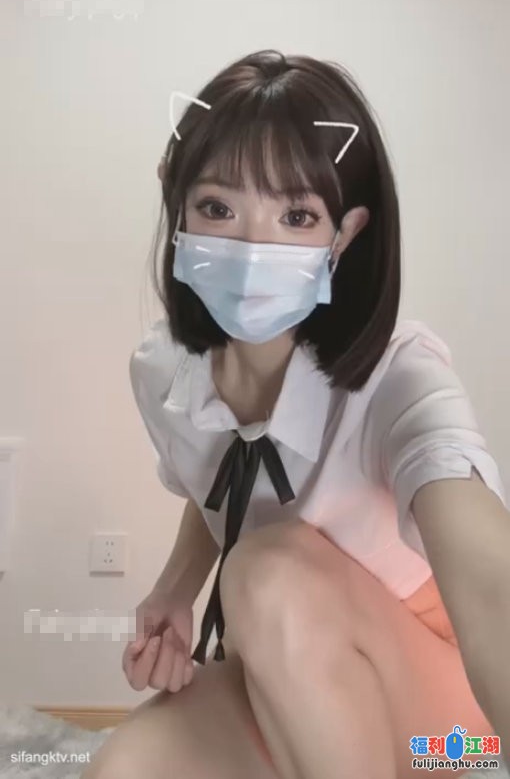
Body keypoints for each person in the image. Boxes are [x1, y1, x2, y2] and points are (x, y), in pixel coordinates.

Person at [82, 50, 508, 779]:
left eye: (297, 216)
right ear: (176, 203)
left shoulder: (399, 378)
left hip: (451, 738)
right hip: (290, 680)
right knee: (125, 769)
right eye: (218, 208)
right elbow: (219, 481)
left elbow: (490, 581)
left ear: (344, 233)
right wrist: (173, 592)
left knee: (266, 574)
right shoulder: (161, 373)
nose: (252, 248)